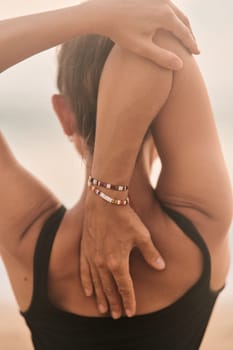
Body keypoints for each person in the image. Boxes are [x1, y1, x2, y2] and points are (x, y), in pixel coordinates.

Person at [0, 1, 232, 350]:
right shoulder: (202, 220)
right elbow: (158, 35)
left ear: (64, 115)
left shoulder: (28, 240)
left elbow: (152, 27)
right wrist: (108, 193)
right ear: (163, 103)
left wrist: (92, 16)